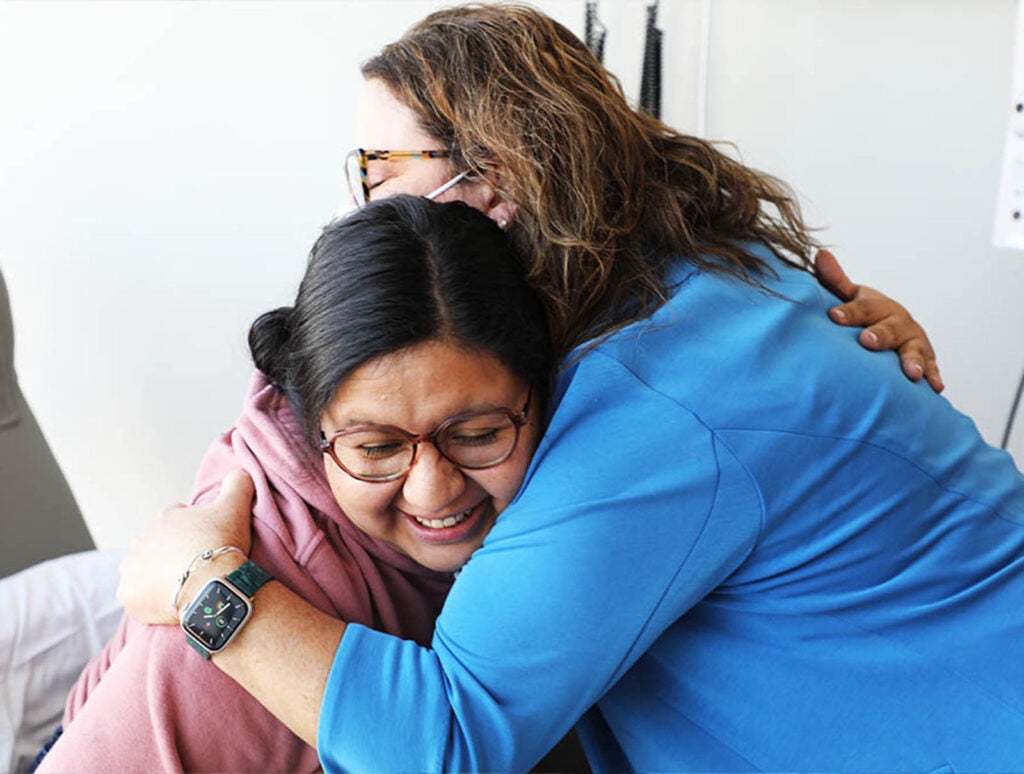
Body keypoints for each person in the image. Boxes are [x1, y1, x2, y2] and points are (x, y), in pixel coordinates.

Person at [112, 4, 1024, 772]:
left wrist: (202, 587)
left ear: (496, 182)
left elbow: (447, 742)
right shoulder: (708, 275)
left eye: (379, 173)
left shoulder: (653, 405)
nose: (361, 209)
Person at [38, 195, 560, 772]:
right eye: (377, 448)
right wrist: (206, 593)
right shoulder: (269, 564)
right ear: (312, 426)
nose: (433, 491)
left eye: (478, 434)